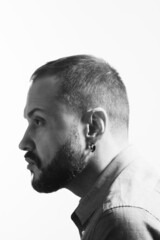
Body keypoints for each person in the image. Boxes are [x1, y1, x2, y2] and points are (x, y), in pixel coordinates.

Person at [19, 55, 160, 239]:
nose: (24, 143)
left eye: (39, 121)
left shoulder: (122, 219)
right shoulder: (137, 195)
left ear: (93, 127)